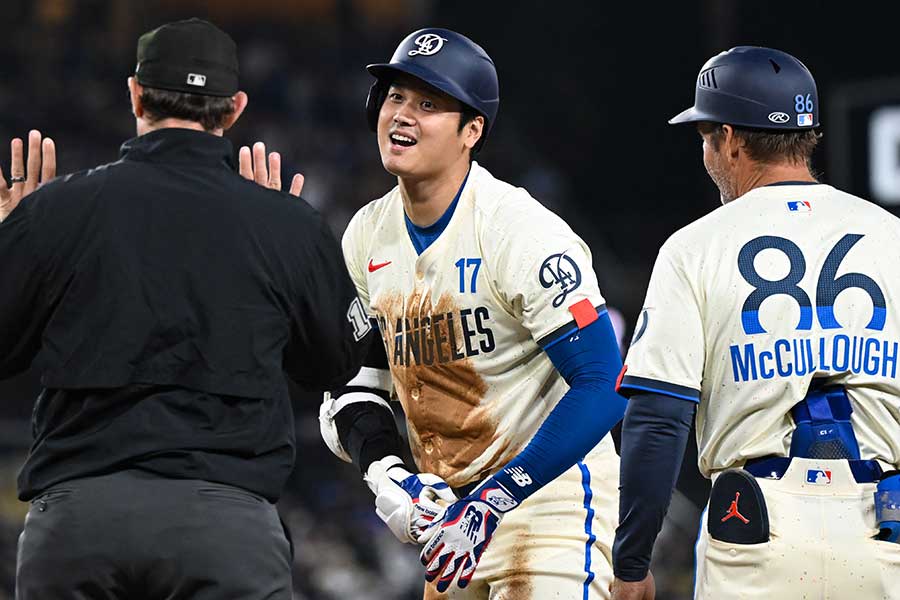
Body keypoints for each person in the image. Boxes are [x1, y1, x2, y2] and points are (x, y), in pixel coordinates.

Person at [0, 18, 368, 599]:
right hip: (226, 529)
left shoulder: (55, 211)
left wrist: (11, 239)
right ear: (235, 108)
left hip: (78, 522)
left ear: (135, 94)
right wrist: (294, 253)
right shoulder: (285, 224)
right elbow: (335, 365)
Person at [314, 27, 627, 598]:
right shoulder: (365, 236)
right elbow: (356, 385)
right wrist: (388, 473)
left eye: (429, 104)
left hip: (546, 504)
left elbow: (605, 381)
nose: (403, 115)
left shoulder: (517, 229)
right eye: (395, 97)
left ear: (472, 130)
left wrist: (495, 499)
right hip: (448, 513)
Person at [610, 46, 900, 600]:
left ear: (731, 138)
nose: (706, 151)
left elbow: (659, 417)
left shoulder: (695, 247)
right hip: (881, 532)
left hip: (756, 532)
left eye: (704, 136)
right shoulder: (891, 236)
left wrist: (632, 565)